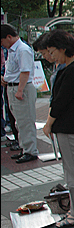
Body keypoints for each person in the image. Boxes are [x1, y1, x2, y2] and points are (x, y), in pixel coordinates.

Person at [42, 29, 74, 227]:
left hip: (68, 126)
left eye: (53, 51)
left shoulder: (73, 69)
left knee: (73, 171)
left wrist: (48, 123)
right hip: (66, 125)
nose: (51, 56)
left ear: (63, 49)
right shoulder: (68, 68)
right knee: (70, 170)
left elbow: (61, 101)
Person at [1, 24, 39, 163]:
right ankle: (24, 148)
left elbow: (25, 71)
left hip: (21, 88)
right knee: (19, 122)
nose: (2, 45)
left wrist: (20, 90)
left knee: (26, 121)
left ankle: (31, 151)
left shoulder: (22, 49)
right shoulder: (12, 50)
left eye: (2, 41)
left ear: (9, 37)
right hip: (12, 87)